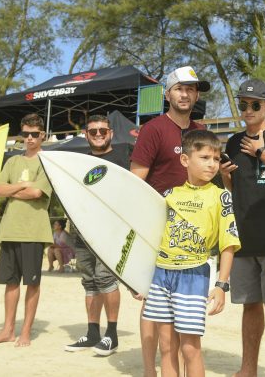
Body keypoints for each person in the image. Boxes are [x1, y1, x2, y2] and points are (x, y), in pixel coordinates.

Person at [143, 129, 241, 376]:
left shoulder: (222, 197)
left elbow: (228, 244)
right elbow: (150, 239)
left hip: (194, 276)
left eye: (216, 159)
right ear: (185, 160)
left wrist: (221, 284)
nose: (212, 164)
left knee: (189, 348)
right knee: (166, 346)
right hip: (161, 276)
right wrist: (140, 279)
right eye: (205, 157)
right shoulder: (168, 196)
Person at [131, 66, 208, 376]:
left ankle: (174, 367)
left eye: (191, 89)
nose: (185, 93)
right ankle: (151, 369)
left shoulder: (201, 131)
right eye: (180, 88)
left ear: (197, 94)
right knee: (152, 301)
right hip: (155, 228)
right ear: (168, 94)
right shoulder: (153, 129)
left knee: (184, 305)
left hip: (191, 233)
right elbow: (135, 182)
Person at [220, 78, 265, 377]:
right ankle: (247, 369)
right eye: (243, 104)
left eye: (255, 104)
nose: (248, 110)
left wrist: (263, 153)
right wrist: (224, 176)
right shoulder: (233, 142)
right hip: (243, 238)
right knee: (249, 306)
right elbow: (238, 188)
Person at [65, 114, 133, 356]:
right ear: (86, 134)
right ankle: (92, 332)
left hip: (110, 231)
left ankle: (111, 336)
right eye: (93, 131)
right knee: (89, 282)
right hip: (82, 230)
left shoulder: (125, 155)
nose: (98, 135)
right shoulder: (78, 161)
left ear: (111, 133)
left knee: (106, 279)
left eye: (103, 131)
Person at [0, 113, 53, 348]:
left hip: (34, 231)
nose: (30, 138)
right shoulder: (12, 161)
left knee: (31, 283)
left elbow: (37, 194)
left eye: (34, 134)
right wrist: (23, 185)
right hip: (10, 229)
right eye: (26, 134)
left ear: (42, 135)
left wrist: (14, 189)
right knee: (10, 283)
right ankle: (7, 330)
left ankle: (25, 332)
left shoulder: (48, 162)